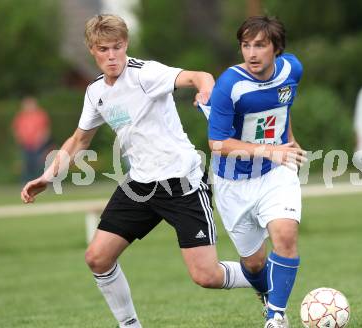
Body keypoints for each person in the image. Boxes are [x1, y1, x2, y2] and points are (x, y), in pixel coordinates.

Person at [20, 14, 251, 328]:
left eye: (117, 47)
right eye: (104, 49)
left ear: (125, 44)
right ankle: (129, 325)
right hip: (140, 185)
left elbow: (200, 76)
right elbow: (78, 140)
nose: (112, 55)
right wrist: (48, 176)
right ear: (92, 50)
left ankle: (265, 278)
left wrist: (207, 91)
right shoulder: (96, 91)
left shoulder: (146, 74)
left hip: (181, 182)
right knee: (97, 258)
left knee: (206, 276)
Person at [206, 16, 307, 328]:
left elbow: (283, 106)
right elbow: (217, 142)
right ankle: (266, 295)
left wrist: (287, 141)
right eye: (246, 45)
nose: (251, 52)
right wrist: (271, 148)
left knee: (286, 234)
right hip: (231, 182)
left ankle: (276, 316)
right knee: (253, 264)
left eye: (260, 45)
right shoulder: (230, 85)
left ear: (276, 48)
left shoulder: (293, 69)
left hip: (275, 171)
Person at [12, 97, 54, 184]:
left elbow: (46, 130)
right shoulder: (21, 116)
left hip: (39, 145)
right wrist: (20, 140)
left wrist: (41, 141)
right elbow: (16, 130)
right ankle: (25, 183)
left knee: (40, 164)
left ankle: (42, 183)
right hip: (26, 146)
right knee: (26, 166)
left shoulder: (40, 114)